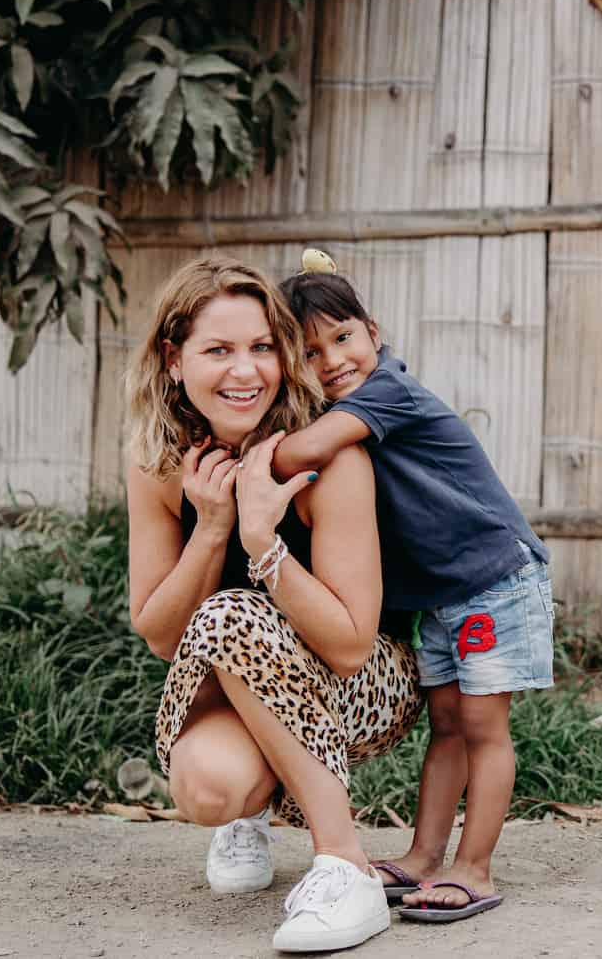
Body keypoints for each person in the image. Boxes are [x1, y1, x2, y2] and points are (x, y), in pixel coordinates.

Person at [124, 256, 422, 952]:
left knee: (232, 613)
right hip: (242, 678)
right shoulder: (157, 462)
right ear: (173, 360)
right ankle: (249, 814)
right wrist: (214, 528)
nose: (245, 371)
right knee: (209, 788)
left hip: (367, 682)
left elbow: (352, 644)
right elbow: (162, 637)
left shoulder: (327, 456)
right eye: (219, 350)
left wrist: (262, 540)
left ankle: (346, 868)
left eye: (262, 348)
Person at [273, 255, 554, 923]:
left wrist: (251, 461)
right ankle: (427, 856)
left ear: (373, 331)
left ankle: (475, 867)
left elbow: (303, 453)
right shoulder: (350, 405)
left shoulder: (386, 392)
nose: (333, 360)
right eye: (309, 353)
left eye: (342, 337)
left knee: (484, 725)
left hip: (493, 579)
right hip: (445, 595)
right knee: (448, 725)